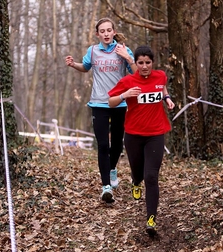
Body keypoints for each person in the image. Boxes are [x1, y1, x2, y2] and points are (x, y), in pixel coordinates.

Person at [65, 18, 137, 204]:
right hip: (98, 103)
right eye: (102, 31)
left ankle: (112, 168)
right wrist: (74, 65)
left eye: (108, 30)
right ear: (97, 34)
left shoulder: (122, 50)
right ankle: (106, 187)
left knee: (117, 144)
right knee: (103, 144)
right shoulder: (93, 51)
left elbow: (135, 73)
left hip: (119, 103)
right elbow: (86, 67)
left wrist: (127, 57)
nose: (105, 34)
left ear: (113, 32)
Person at [108, 45, 175, 236]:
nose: (144, 66)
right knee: (138, 172)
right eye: (140, 63)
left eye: (148, 62)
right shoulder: (128, 81)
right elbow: (110, 101)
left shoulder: (160, 76)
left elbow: (161, 87)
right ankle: (135, 182)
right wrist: (124, 95)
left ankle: (151, 219)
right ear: (135, 64)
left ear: (152, 63)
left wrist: (167, 98)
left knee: (152, 176)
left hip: (155, 133)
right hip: (133, 135)